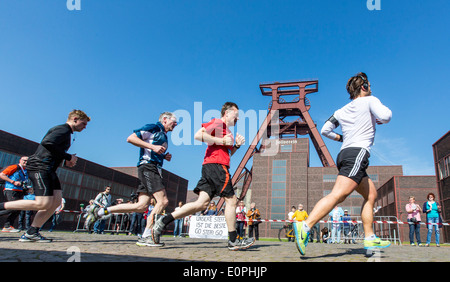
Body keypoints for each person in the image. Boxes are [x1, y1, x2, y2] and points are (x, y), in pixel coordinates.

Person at [293, 72, 392, 255]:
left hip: (345, 153)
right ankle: (305, 227)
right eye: (369, 85)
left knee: (371, 195)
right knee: (338, 195)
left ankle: (370, 238)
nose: (371, 88)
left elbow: (325, 130)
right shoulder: (370, 100)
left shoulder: (342, 110)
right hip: (357, 153)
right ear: (364, 87)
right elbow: (386, 116)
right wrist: (376, 115)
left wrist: (341, 138)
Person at [152, 102, 255, 250]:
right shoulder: (218, 123)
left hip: (210, 167)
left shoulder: (228, 132)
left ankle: (164, 220)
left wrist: (236, 146)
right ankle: (233, 241)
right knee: (232, 201)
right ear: (227, 113)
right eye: (236, 115)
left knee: (201, 204)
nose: (238, 119)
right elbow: (198, 135)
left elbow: (228, 153)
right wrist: (221, 140)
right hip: (217, 167)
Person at [86, 112, 177, 247]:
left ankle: (101, 212)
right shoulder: (153, 127)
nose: (175, 124)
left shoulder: (163, 134)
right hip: (148, 167)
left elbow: (153, 150)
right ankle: (147, 236)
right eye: (174, 121)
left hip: (154, 167)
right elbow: (131, 138)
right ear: (165, 119)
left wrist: (163, 156)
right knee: (163, 201)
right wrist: (153, 147)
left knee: (141, 206)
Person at [0, 109, 90, 242]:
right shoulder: (63, 129)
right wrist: (68, 156)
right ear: (75, 119)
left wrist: (66, 160)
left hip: (49, 170)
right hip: (40, 167)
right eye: (84, 123)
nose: (85, 127)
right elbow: (47, 142)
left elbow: (52, 150)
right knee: (43, 203)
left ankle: (32, 232)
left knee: (56, 202)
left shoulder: (67, 133)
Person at [0, 156, 29, 232]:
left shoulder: (26, 170)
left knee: (18, 208)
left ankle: (8, 226)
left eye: (27, 161)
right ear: (20, 160)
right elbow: (2, 175)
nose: (25, 162)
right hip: (11, 189)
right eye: (24, 160)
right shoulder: (14, 167)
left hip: (19, 191)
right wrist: (13, 182)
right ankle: (7, 226)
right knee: (13, 207)